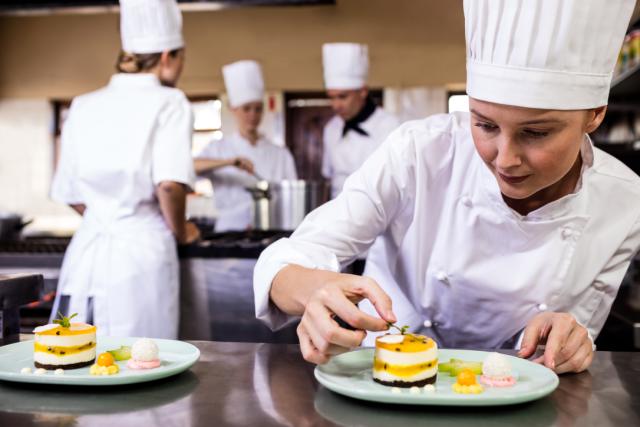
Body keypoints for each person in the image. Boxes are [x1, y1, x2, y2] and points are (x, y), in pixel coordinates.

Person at [253, 0, 640, 374]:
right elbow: (290, 260)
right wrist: (313, 288)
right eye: (485, 125)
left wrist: (572, 342)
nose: (505, 159)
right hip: (383, 382)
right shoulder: (420, 152)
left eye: (536, 132)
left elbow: (574, 339)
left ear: (595, 113)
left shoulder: (625, 203)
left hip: (510, 394)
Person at [50, 0, 198, 339]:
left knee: (76, 357)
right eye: (181, 58)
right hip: (141, 256)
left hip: (86, 252)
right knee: (140, 362)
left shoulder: (84, 105)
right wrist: (182, 230)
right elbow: (169, 186)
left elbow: (69, 193)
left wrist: (106, 213)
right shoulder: (170, 102)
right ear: (166, 57)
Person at [195, 60, 297, 232]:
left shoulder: (280, 154)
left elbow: (291, 197)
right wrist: (229, 162)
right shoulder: (218, 149)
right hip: (229, 233)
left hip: (271, 231)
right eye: (246, 108)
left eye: (258, 109)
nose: (253, 115)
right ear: (233, 109)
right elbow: (190, 167)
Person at [321, 43, 400, 198]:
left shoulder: (390, 126)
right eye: (331, 98)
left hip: (380, 217)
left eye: (342, 97)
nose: (335, 105)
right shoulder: (331, 129)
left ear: (363, 92)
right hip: (337, 214)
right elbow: (328, 177)